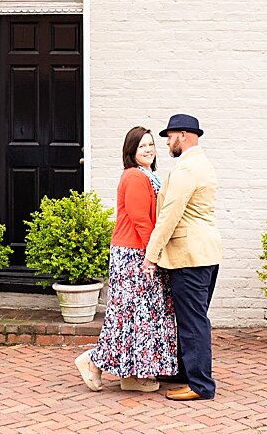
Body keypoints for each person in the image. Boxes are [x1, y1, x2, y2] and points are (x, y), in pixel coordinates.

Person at [74, 126, 178, 393]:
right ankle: (93, 361)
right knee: (131, 314)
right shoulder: (134, 176)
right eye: (142, 146)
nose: (149, 150)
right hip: (134, 253)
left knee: (139, 316)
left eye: (151, 145)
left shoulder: (149, 175)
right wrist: (151, 255)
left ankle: (133, 375)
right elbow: (140, 218)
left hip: (141, 251)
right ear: (131, 151)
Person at [143, 113, 223, 402]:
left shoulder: (187, 168)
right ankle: (185, 372)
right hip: (205, 253)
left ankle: (200, 385)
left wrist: (151, 255)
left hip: (190, 256)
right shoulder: (201, 163)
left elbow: (170, 215)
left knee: (192, 321)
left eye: (169, 136)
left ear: (184, 135)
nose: (166, 142)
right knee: (192, 318)